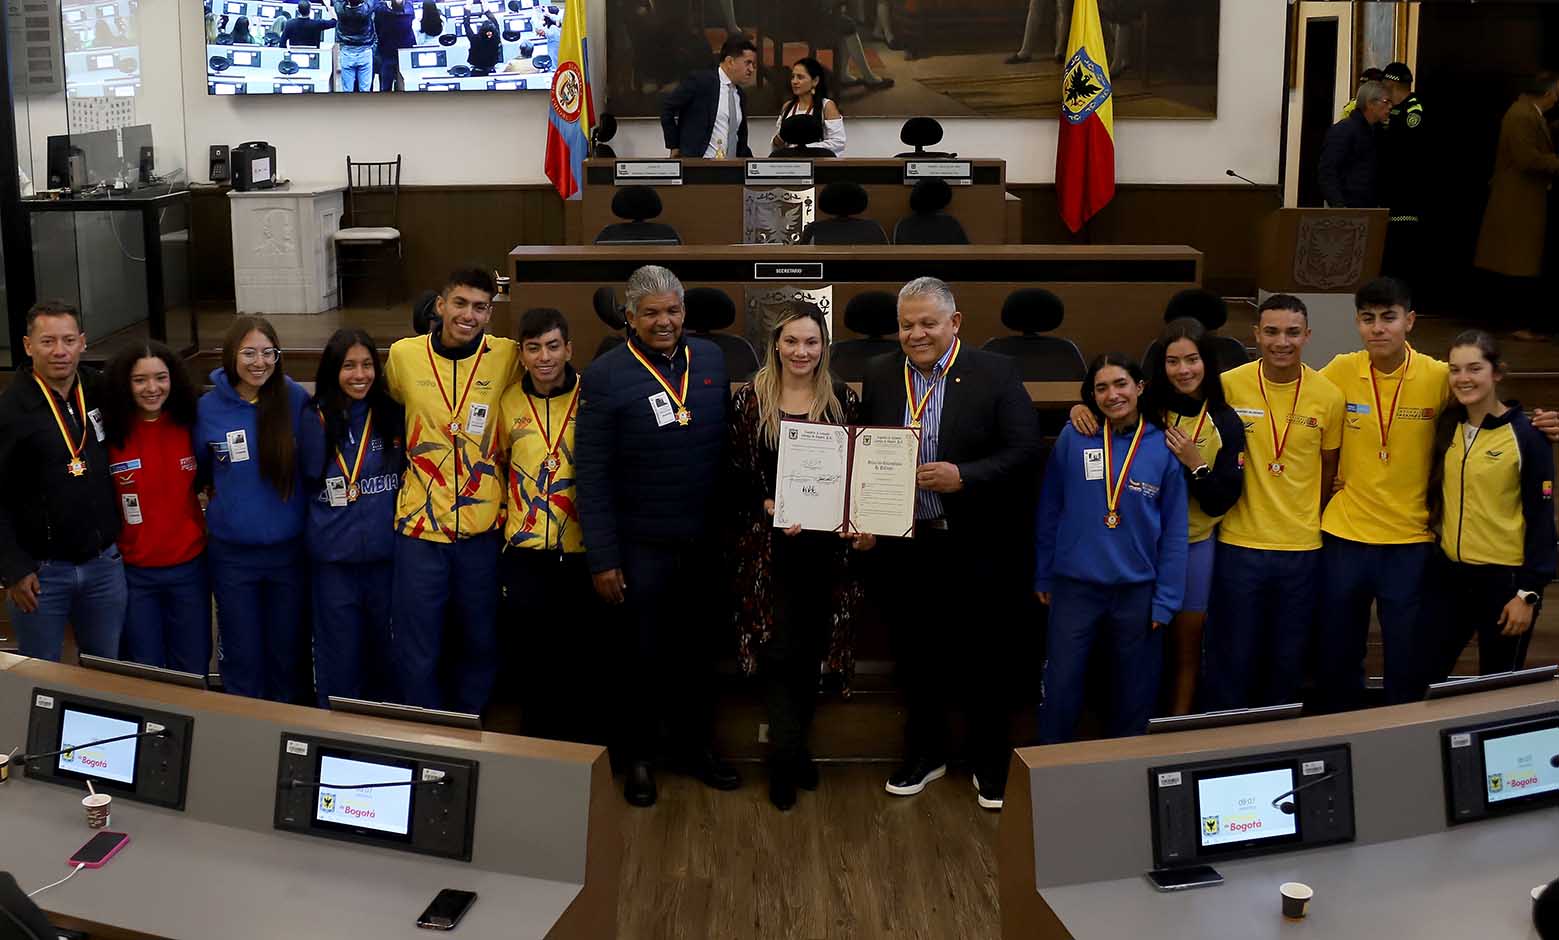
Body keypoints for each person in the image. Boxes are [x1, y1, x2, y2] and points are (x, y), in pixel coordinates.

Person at [860, 277, 1039, 810]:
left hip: (974, 544)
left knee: (984, 657)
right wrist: (863, 513)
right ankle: (925, 754)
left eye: (928, 323)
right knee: (916, 657)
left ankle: (989, 762)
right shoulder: (880, 374)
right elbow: (869, 453)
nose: (916, 334)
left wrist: (967, 475)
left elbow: (1026, 451)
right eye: (907, 325)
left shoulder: (994, 371)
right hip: (906, 546)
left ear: (954, 323)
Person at [575, 265, 737, 808]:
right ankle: (638, 757)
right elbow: (591, 475)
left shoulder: (713, 361)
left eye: (672, 311)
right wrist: (602, 558)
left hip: (703, 543)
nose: (663, 321)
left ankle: (696, 748)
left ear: (685, 313)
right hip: (638, 546)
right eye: (651, 313)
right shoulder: (604, 375)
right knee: (639, 658)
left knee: (698, 654)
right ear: (630, 317)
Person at [728, 302, 874, 810]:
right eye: (791, 341)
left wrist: (861, 522)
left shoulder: (841, 404)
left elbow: (859, 477)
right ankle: (784, 760)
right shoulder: (750, 401)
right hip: (768, 552)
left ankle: (796, 750)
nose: (801, 352)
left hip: (825, 552)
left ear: (824, 347)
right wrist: (766, 503)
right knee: (780, 653)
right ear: (776, 344)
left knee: (812, 654)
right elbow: (735, 476)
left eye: (811, 342)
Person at [1067, 318, 1245, 715]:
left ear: (1207, 363)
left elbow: (1221, 500)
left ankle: (1177, 727)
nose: (1184, 370)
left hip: (1195, 546)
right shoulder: (1146, 408)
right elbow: (1105, 406)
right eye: (1173, 361)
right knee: (1132, 642)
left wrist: (1195, 464)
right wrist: (1080, 406)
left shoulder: (1225, 420)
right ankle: (1125, 722)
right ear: (1158, 369)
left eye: (1193, 360)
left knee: (1185, 643)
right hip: (1138, 545)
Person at [384, 268, 519, 714]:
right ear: (439, 305)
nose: (469, 315)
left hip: (481, 530)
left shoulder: (508, 356)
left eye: (480, 307)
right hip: (420, 529)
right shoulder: (404, 356)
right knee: (417, 642)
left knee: (479, 639)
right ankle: (426, 734)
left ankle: (469, 728)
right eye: (459, 303)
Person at [1201, 295, 1345, 710]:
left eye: (1292, 333)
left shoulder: (1328, 395)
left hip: (1301, 549)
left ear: (1307, 336)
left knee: (1287, 657)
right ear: (1256, 335)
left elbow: (1327, 467)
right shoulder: (1229, 385)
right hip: (1239, 544)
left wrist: (1306, 518)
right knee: (1233, 655)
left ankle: (1278, 744)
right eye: (1272, 332)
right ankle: (1228, 740)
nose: (1282, 341)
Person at [1312, 277, 1448, 710]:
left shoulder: (1439, 377)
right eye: (1368, 319)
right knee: (1337, 651)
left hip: (1409, 540)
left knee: (1405, 656)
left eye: (1388, 318)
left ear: (1409, 321)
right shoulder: (1339, 370)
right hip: (1345, 534)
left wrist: (1539, 422)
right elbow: (1293, 402)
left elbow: (1489, 411)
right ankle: (1340, 735)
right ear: (1357, 323)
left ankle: (1399, 738)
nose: (1378, 328)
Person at [1037, 353, 1186, 744]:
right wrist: (1043, 570)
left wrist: (1167, 599)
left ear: (1139, 387)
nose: (1112, 394)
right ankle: (1053, 768)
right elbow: (1051, 507)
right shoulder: (1076, 436)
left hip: (1137, 591)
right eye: (1101, 388)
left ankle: (1128, 772)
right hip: (1074, 587)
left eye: (1120, 384)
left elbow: (1174, 532)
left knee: (1134, 690)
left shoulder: (1163, 446)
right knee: (1062, 683)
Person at [1427, 331, 1556, 680]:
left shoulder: (1529, 436)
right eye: (1455, 370)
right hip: (1451, 578)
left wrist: (1528, 593)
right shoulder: (1447, 426)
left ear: (1496, 372)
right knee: (1426, 677)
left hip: (1505, 582)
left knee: (1497, 687)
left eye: (1474, 368)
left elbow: (1542, 521)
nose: (1463, 378)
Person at [0, 301, 125, 663]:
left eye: (68, 340)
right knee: (40, 679)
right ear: (28, 346)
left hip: (103, 567)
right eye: (48, 341)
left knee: (107, 672)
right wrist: (14, 569)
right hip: (41, 576)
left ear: (83, 342)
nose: (60, 351)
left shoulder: (100, 390)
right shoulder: (10, 411)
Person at [196, 317, 312, 702]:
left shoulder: (294, 399)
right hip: (233, 558)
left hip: (289, 555)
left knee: (288, 656)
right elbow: (200, 472)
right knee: (242, 656)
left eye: (268, 353)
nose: (259, 362)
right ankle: (246, 742)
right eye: (249, 353)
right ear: (231, 356)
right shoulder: (207, 409)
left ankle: (290, 744)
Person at [494, 307, 595, 742]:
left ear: (569, 348)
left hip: (581, 552)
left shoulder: (592, 399)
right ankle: (536, 753)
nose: (544, 357)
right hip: (526, 554)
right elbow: (496, 465)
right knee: (532, 661)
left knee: (580, 659)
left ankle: (582, 754)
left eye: (553, 346)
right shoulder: (508, 402)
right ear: (522, 355)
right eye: (534, 348)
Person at [298, 329, 404, 706]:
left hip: (385, 563)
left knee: (386, 660)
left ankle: (385, 749)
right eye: (348, 366)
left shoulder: (392, 417)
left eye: (366, 365)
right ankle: (336, 747)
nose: (359, 375)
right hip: (333, 566)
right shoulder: (314, 421)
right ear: (332, 370)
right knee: (338, 662)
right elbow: (302, 487)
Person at [101, 342, 210, 675]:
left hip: (189, 569)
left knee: (192, 667)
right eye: (140, 380)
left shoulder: (190, 424)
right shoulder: (110, 434)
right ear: (125, 384)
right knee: (144, 672)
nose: (152, 388)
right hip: (134, 574)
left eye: (160, 378)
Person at [1474, 72, 1559, 341]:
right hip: (1518, 202)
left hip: (1523, 202)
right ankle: (1515, 323)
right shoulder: (1522, 115)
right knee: (1516, 264)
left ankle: (1512, 321)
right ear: (1548, 93)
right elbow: (1526, 158)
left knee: (1515, 263)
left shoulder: (1528, 113)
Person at [660, 34, 756, 159]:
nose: (751, 69)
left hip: (731, 169)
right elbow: (667, 108)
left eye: (753, 64)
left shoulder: (740, 95)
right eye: (747, 63)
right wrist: (674, 145)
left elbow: (739, 138)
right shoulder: (700, 82)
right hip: (699, 166)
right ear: (730, 62)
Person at [1379, 62, 1428, 294]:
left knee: (1403, 247)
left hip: (1407, 193)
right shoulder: (1393, 109)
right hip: (1390, 191)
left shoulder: (1414, 110)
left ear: (1391, 84)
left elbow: (1408, 152)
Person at [1318, 80, 1390, 209]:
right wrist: (1339, 205)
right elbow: (1328, 171)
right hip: (1347, 208)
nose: (1390, 107)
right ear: (1370, 103)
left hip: (1371, 208)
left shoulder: (1378, 132)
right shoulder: (1343, 130)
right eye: (1386, 102)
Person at [772, 57, 846, 156]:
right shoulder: (787, 106)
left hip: (818, 164)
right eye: (792, 77)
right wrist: (777, 141)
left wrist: (804, 149)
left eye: (800, 77)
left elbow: (838, 142)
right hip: (789, 166)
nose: (794, 81)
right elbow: (777, 144)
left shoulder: (827, 106)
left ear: (815, 81)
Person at [373, 0, 415, 91]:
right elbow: (408, 3)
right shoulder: (409, 14)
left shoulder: (383, 14)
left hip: (387, 53)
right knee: (403, 84)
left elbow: (377, 7)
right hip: (405, 54)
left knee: (385, 86)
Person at [335, 0, 377, 90]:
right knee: (365, 89)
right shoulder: (367, 9)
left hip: (347, 52)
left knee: (347, 90)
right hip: (365, 52)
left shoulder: (339, 9)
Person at [463, 7, 502, 72]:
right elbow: (496, 23)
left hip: (476, 71)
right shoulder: (495, 39)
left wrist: (467, 10)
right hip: (491, 70)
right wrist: (487, 11)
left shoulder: (474, 39)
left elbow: (466, 25)